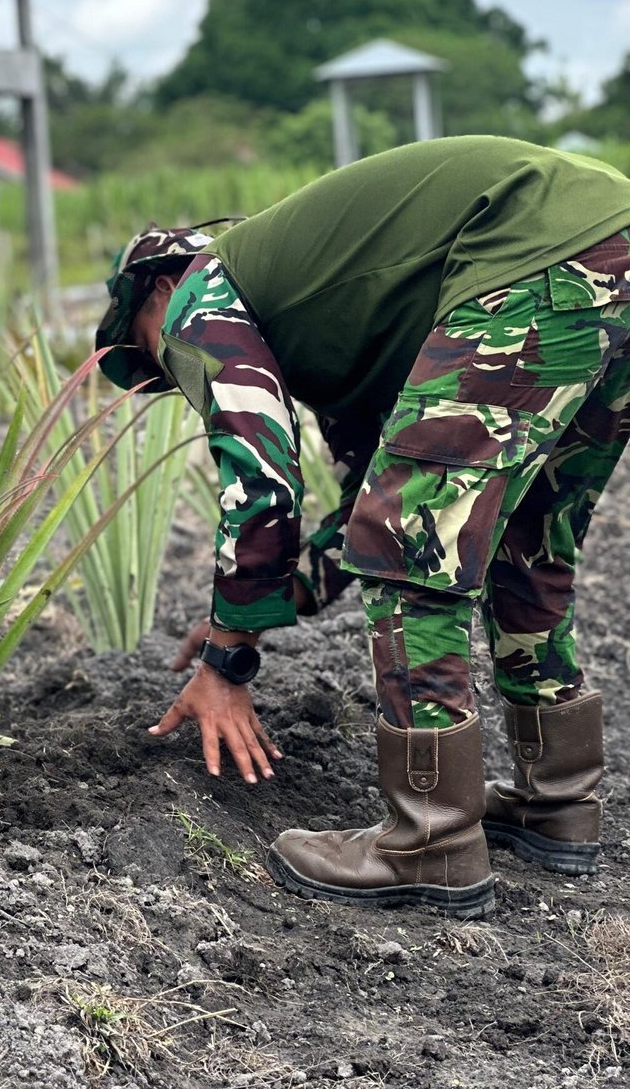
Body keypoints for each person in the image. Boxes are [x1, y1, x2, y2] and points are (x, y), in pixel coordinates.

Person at [96, 136, 630, 918]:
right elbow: (355, 516)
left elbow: (263, 475)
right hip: (603, 247)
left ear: (154, 295)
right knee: (526, 545)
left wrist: (230, 659)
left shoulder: (195, 299)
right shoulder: (346, 328)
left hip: (533, 259)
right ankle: (557, 806)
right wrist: (242, 613)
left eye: (150, 359)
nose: (170, 374)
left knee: (411, 538)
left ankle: (429, 840)